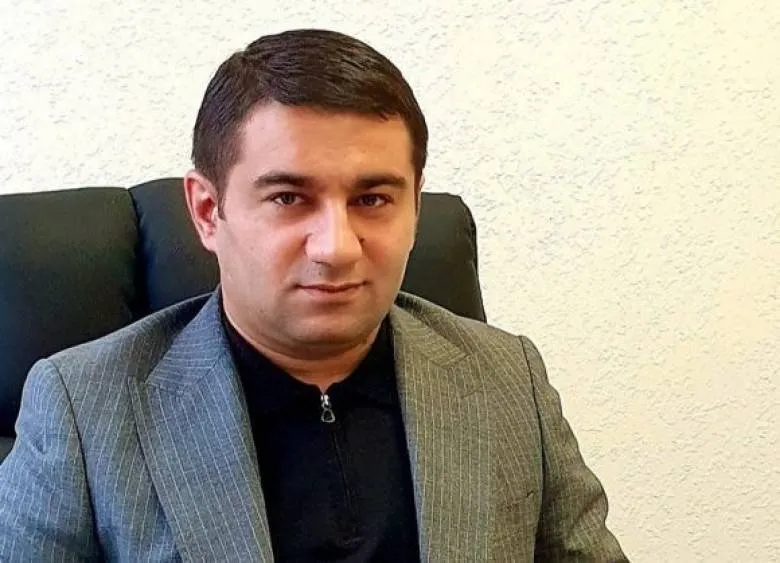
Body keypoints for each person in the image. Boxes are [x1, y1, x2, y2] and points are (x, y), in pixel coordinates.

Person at [0, 29, 627, 562]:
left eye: (372, 199)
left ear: (414, 206)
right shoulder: (85, 410)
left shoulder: (508, 380)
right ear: (208, 211)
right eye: (289, 198)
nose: (337, 247)